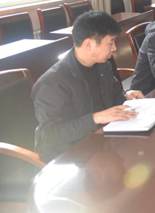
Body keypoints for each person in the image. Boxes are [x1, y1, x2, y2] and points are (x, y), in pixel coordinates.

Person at [32, 11, 144, 162]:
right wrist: (96, 118)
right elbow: (49, 134)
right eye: (111, 42)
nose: (115, 48)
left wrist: (126, 95)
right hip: (70, 156)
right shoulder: (52, 82)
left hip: (101, 141)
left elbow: (114, 96)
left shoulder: (103, 65)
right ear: (88, 44)